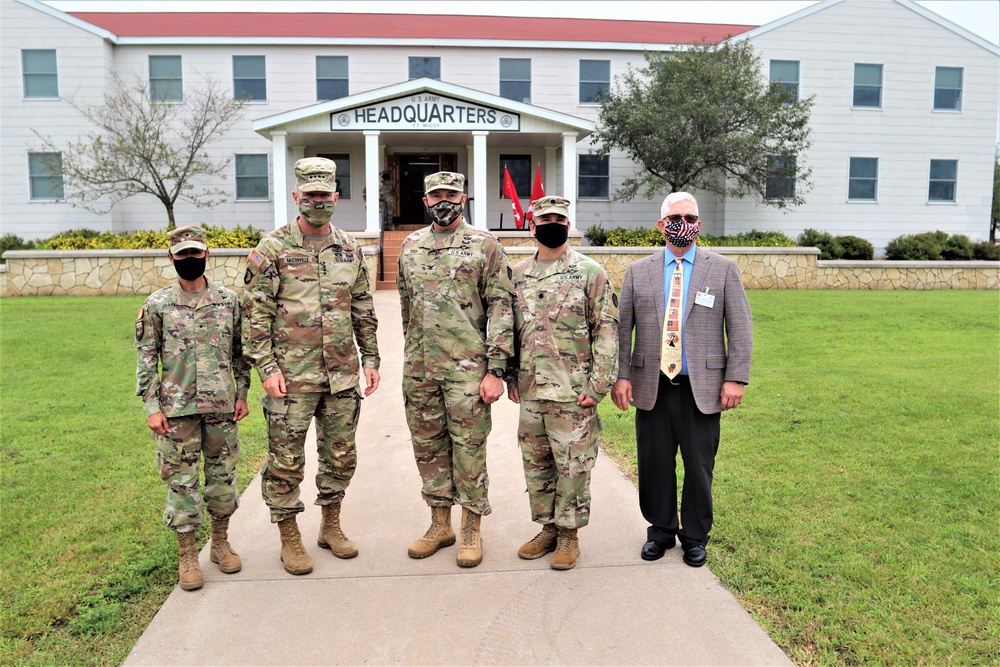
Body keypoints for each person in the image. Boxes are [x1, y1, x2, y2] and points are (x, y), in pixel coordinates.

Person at [243, 157, 380, 576]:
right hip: (291, 378)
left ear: (336, 196)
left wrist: (371, 358)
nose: (318, 202)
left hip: (341, 375)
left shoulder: (349, 248)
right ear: (296, 196)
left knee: (340, 456)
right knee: (286, 461)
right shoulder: (272, 250)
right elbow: (255, 315)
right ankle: (289, 537)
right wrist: (267, 369)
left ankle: (331, 526)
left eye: (325, 195)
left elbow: (362, 307)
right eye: (310, 195)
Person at [612, 192, 753, 568]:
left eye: (690, 217)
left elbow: (739, 327)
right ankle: (660, 530)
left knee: (698, 466)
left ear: (699, 224)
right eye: (675, 217)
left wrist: (735, 378)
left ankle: (694, 536)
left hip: (701, 389)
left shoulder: (722, 269)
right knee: (655, 463)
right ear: (661, 225)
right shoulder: (638, 272)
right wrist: (621, 376)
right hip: (652, 386)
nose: (683, 223)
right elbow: (623, 329)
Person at [397, 171, 514, 568]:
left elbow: (501, 306)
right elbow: (406, 306)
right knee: (428, 448)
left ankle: (471, 526)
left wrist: (496, 369)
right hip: (421, 368)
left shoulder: (485, 245)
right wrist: (412, 353)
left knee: (468, 450)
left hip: (468, 370)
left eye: (450, 194)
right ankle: (439, 523)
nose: (442, 200)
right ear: (425, 200)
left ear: (463, 198)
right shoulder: (411, 246)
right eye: (435, 195)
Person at [505, 196, 619, 570]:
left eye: (559, 218)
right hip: (531, 389)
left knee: (572, 465)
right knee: (536, 465)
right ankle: (549, 528)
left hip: (573, 391)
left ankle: (570, 535)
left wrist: (598, 384)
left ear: (568, 225)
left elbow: (606, 329)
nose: (552, 223)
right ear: (531, 225)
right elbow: (509, 329)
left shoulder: (589, 272)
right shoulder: (517, 273)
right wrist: (509, 376)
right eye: (544, 218)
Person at [135, 225, 250, 591]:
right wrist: (152, 406)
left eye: (195, 253)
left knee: (222, 478)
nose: (190, 259)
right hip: (176, 410)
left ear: (207, 254)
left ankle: (219, 543)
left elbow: (240, 355)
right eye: (182, 254)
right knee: (181, 481)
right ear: (171, 257)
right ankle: (187, 554)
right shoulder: (157, 305)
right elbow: (146, 359)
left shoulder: (230, 301)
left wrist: (242, 393)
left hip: (221, 406)